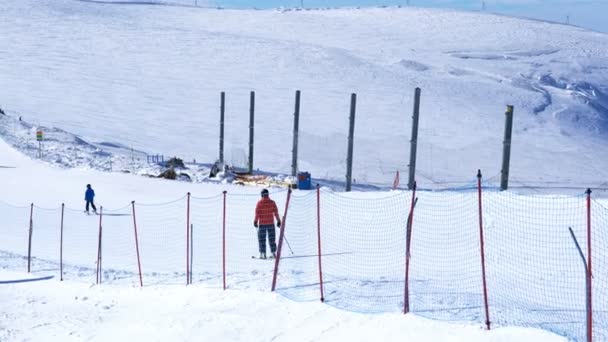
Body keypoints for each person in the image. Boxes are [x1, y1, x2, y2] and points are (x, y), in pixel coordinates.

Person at [253, 188, 281, 259]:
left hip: (262, 224)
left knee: (262, 239)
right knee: (272, 238)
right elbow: (276, 212)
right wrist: (278, 220)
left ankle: (263, 253)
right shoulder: (272, 202)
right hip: (270, 223)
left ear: (262, 195)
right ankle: (273, 253)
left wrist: (255, 221)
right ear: (267, 194)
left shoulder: (259, 203)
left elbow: (257, 213)